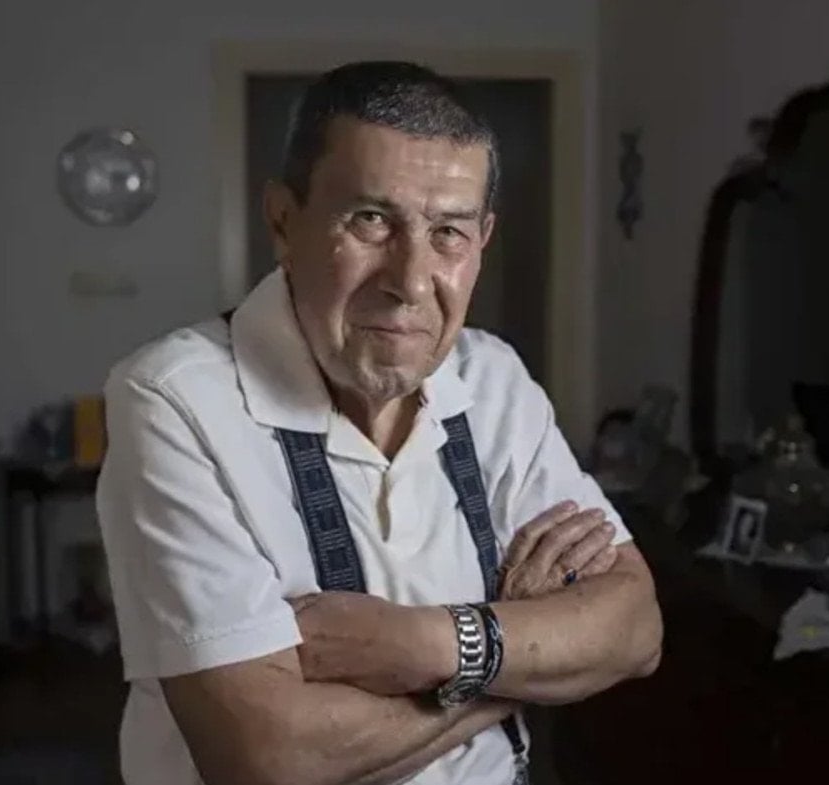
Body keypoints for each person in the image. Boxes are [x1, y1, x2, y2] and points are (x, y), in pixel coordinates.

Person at [96, 61, 662, 785]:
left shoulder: (494, 381)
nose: (410, 281)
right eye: (371, 220)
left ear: (483, 239)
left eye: (449, 231)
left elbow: (635, 629)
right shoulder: (175, 400)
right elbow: (269, 757)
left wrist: (426, 645)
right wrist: (521, 657)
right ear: (282, 220)